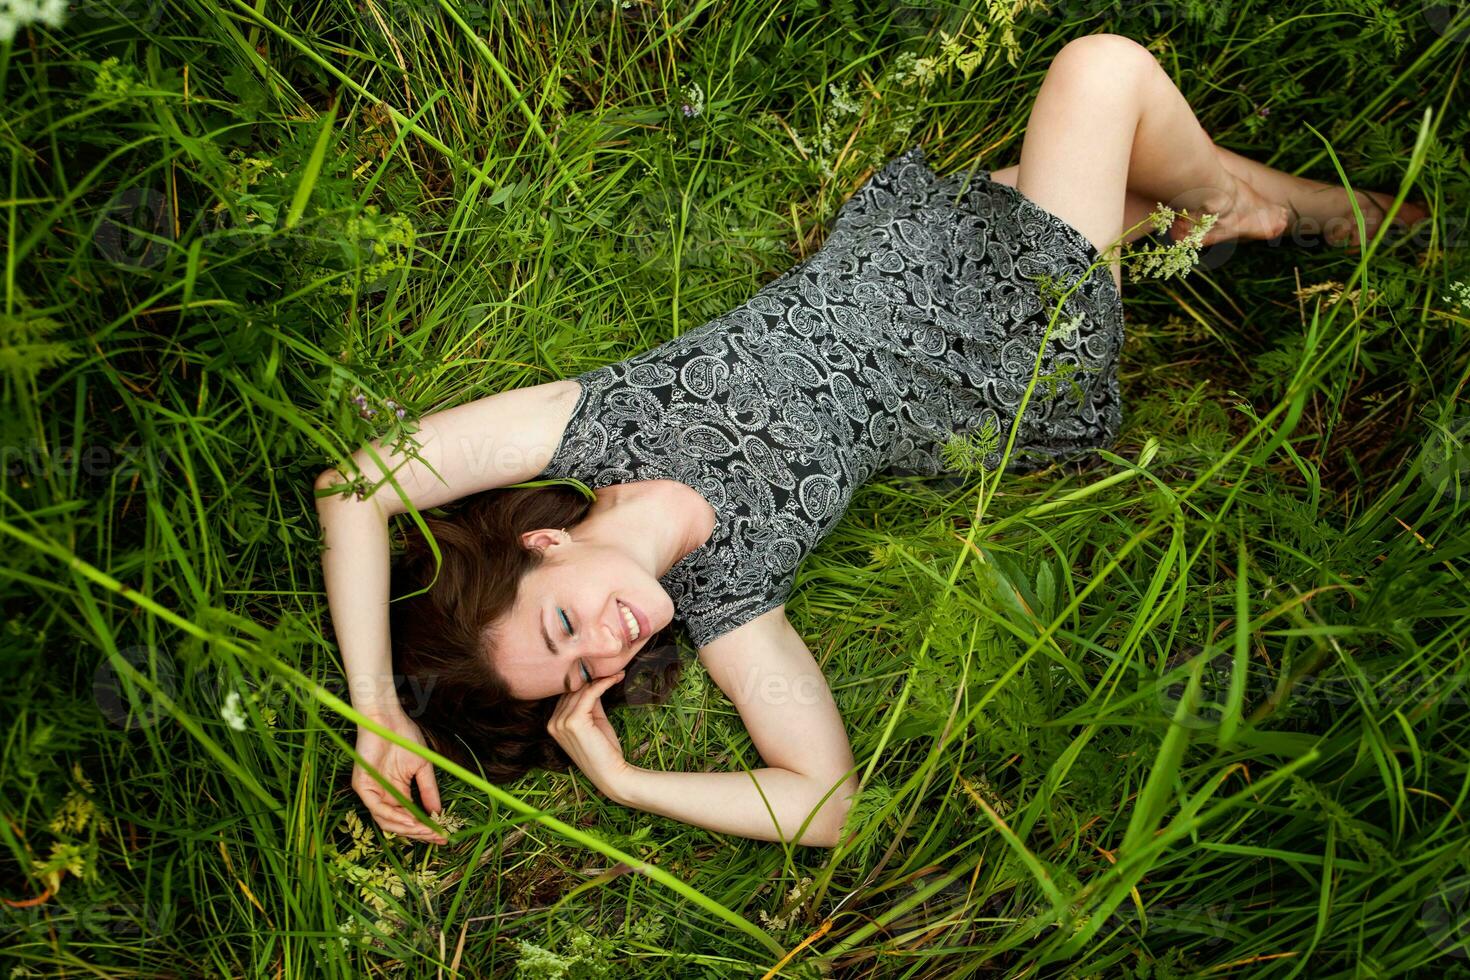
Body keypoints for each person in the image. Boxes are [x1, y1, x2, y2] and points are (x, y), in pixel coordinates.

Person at [314, 33, 1428, 848]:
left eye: (561, 623)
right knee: (1103, 73)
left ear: (548, 548)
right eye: (584, 672)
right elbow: (826, 800)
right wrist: (625, 781)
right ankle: (1236, 205)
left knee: (1137, 177)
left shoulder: (587, 421)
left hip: (919, 248)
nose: (605, 649)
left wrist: (376, 705)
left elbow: (354, 486)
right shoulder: (730, 596)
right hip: (1003, 349)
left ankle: (1348, 218)